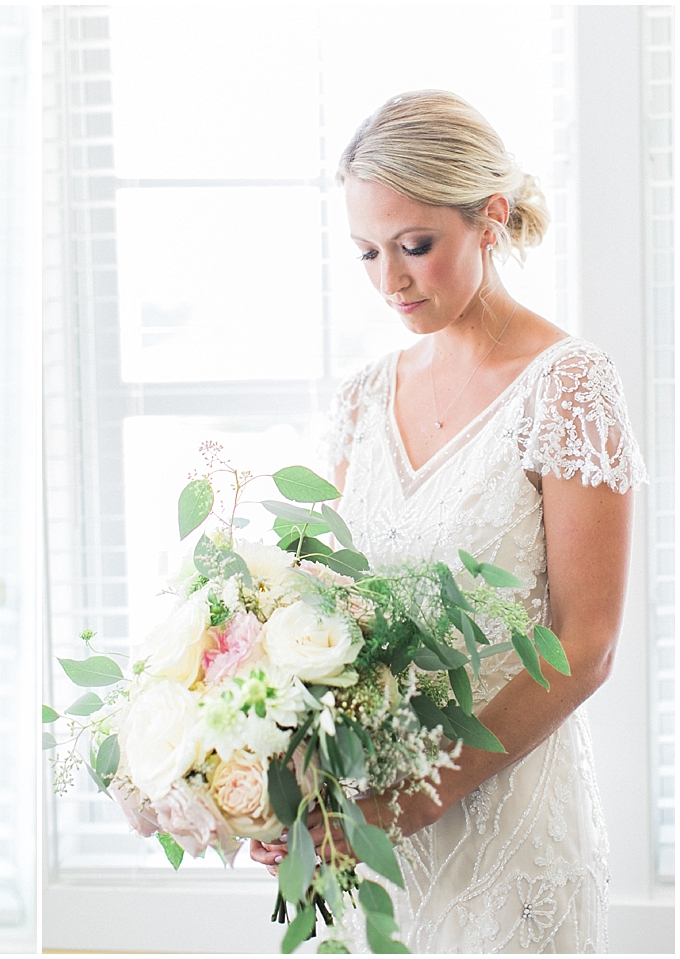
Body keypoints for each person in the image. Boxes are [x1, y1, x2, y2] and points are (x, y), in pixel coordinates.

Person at [249, 91, 644, 953]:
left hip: (509, 833)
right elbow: (323, 606)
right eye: (366, 253)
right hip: (374, 843)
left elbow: (587, 644)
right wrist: (287, 785)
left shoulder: (568, 385)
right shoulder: (361, 398)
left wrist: (418, 798)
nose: (391, 280)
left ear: (490, 218)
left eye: (415, 247)